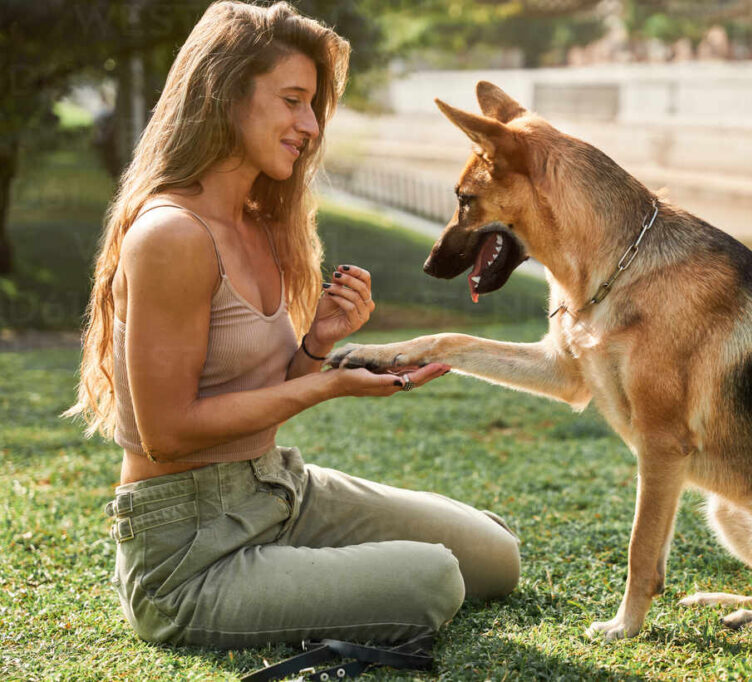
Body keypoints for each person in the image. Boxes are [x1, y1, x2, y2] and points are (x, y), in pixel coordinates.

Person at [63, 0, 520, 649]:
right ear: (226, 94)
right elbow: (166, 434)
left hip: (276, 488)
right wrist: (326, 386)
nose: (309, 125)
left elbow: (255, 400)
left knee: (497, 556)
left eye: (313, 106)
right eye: (292, 100)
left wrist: (317, 346)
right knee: (433, 581)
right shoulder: (171, 234)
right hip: (188, 553)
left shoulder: (261, 222)